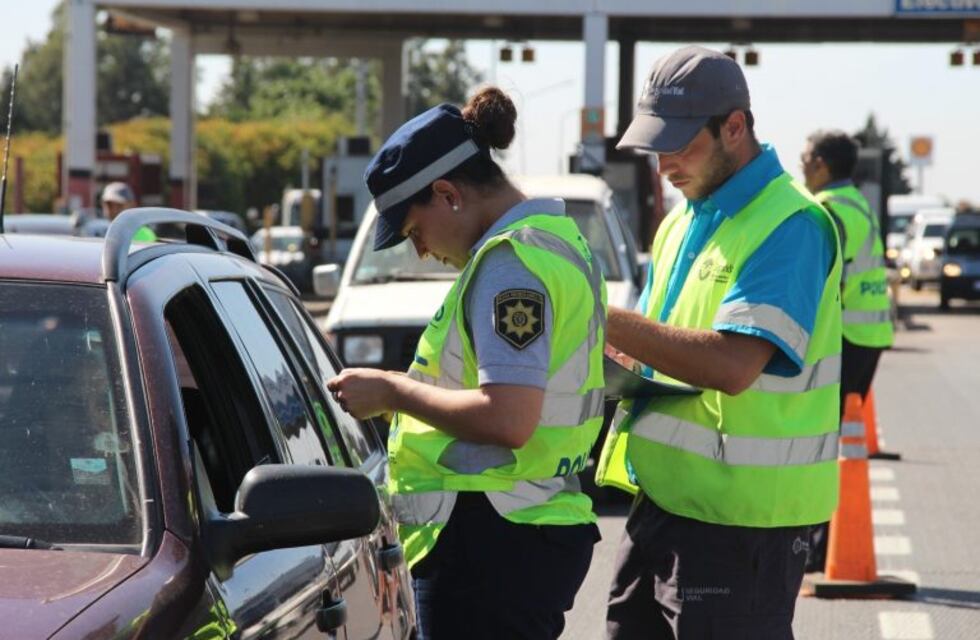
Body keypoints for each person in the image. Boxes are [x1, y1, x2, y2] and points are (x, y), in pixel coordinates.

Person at [326, 87, 607, 640]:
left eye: (414, 232)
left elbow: (508, 418)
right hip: (523, 530)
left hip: (491, 541)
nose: (422, 252)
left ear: (448, 194)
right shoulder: (557, 240)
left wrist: (393, 391)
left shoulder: (510, 266)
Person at [594, 45, 843, 639]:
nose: (665, 168)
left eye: (680, 147)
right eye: (657, 150)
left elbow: (734, 364)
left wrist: (597, 317)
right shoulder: (682, 219)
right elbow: (658, 343)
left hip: (741, 523)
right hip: (662, 503)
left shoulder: (792, 224)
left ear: (735, 127)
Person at [801, 130, 893, 572]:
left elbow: (824, 282)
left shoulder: (829, 211)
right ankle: (822, 544)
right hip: (870, 335)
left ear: (820, 162)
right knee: (836, 442)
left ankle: (817, 548)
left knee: (816, 443)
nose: (800, 166)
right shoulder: (856, 203)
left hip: (845, 339)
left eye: (804, 157)